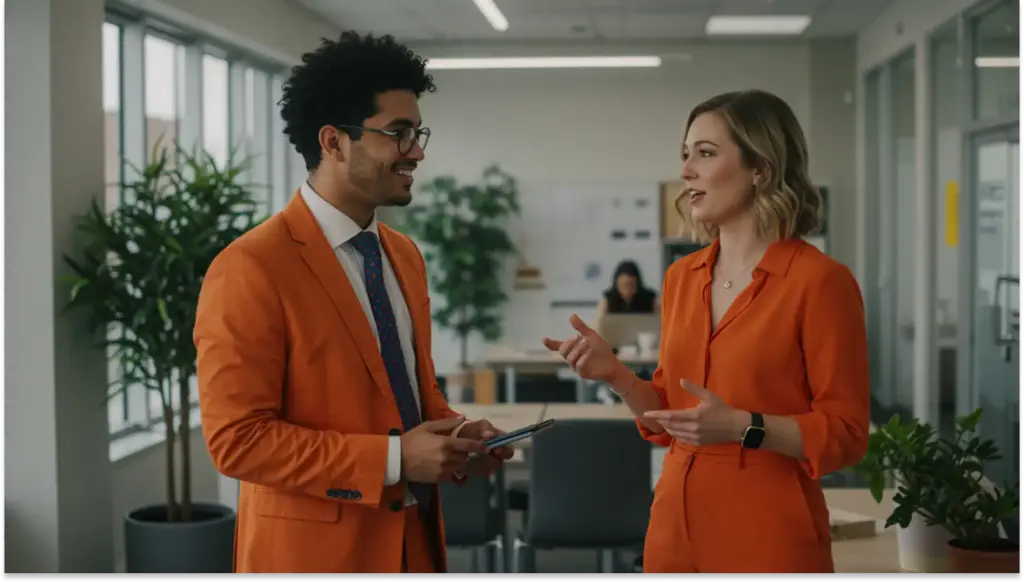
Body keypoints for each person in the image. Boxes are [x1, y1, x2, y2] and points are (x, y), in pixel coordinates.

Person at [194, 31, 512, 575]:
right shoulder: (251, 266)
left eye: (418, 131)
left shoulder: (403, 255)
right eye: (398, 133)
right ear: (334, 142)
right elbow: (237, 441)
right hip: (314, 554)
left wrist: (456, 434)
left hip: (414, 540)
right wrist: (393, 460)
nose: (416, 150)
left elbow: (411, 390)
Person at [542, 89, 870, 574]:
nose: (687, 170)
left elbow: (846, 435)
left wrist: (744, 425)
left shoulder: (820, 281)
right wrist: (616, 376)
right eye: (686, 155)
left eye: (706, 153)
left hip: (767, 526)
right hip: (673, 522)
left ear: (761, 168)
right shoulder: (681, 277)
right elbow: (669, 417)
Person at [595, 260, 660, 321]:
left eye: (631, 285)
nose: (627, 291)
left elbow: (660, 322)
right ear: (616, 284)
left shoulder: (650, 298)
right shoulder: (607, 299)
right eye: (622, 285)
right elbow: (599, 323)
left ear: (637, 283)